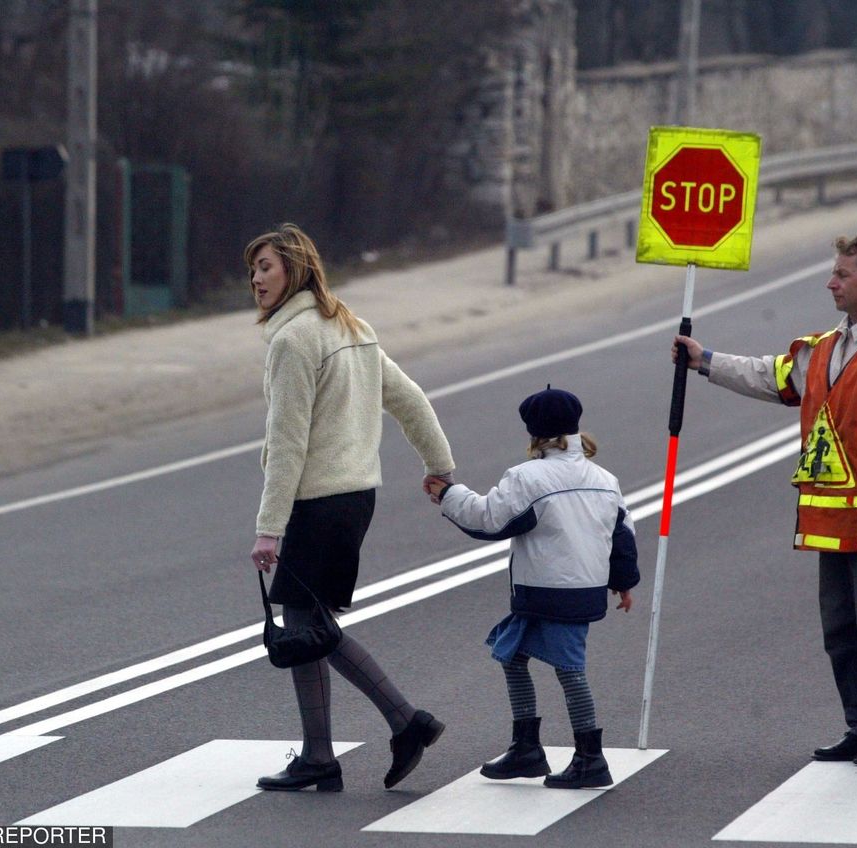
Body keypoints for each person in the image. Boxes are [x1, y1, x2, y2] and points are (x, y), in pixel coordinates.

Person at [672, 235, 857, 767]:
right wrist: (705, 361)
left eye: (842, 274)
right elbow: (771, 377)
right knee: (841, 632)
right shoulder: (823, 347)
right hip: (828, 519)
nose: (831, 282)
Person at [246, 223, 456, 792]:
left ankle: (406, 720)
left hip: (319, 500)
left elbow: (288, 442)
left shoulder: (294, 342)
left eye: (266, 267)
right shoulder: (350, 326)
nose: (257, 279)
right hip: (354, 497)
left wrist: (269, 529)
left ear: (294, 267)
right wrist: (439, 463)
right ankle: (320, 756)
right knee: (307, 624)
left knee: (310, 625)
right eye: (253, 270)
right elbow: (408, 397)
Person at [426, 387, 639, 788]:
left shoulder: (528, 477)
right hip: (574, 589)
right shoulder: (604, 478)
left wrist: (448, 495)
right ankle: (526, 748)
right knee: (512, 653)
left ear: (534, 432)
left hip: (550, 589)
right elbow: (622, 533)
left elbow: (491, 519)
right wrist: (623, 583)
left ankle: (591, 758)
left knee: (570, 670)